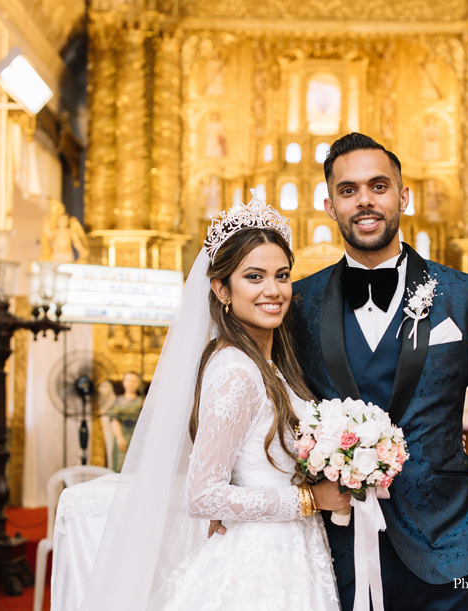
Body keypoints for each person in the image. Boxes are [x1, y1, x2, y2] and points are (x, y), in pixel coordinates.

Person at [291, 132, 468, 610]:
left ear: (404, 196)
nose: (365, 200)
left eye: (379, 186)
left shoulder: (464, 296)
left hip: (451, 547)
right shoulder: (299, 302)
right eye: (348, 190)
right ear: (329, 205)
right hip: (334, 550)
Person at [77, 193, 347, 611]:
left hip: (288, 549)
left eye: (282, 275)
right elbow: (203, 494)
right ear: (222, 288)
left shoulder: (270, 364)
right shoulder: (236, 369)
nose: (273, 290)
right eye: (254, 277)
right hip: (258, 565)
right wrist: (310, 499)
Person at [108, 371, 145, 473]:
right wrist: (119, 437)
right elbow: (114, 419)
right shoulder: (117, 402)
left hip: (137, 438)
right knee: (121, 464)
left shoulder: (142, 402)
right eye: (128, 380)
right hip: (122, 437)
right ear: (123, 382)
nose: (131, 384)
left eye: (134, 381)